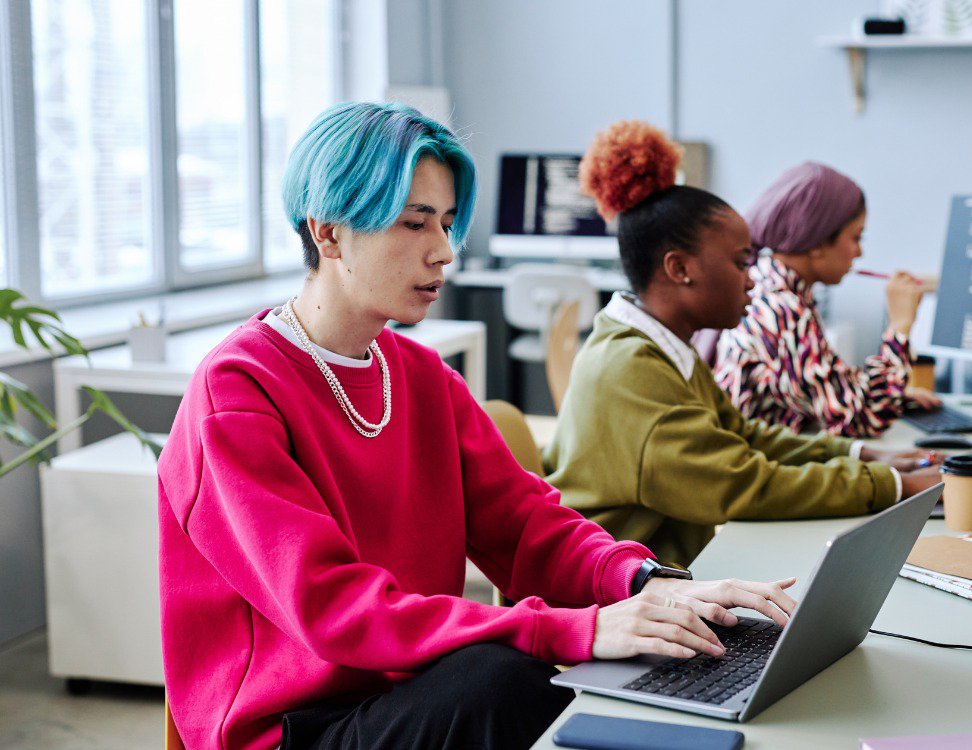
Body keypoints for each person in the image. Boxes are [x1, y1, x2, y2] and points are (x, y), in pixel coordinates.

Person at [157, 102, 799, 750]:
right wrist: (575, 630)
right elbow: (332, 609)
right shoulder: (237, 392)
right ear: (327, 233)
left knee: (652, 658)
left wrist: (650, 584)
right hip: (293, 732)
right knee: (511, 676)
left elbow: (528, 528)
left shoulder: (420, 376)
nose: (443, 251)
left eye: (445, 222)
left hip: (405, 689)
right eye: (414, 223)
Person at [543, 121, 941, 569]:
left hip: (658, 571)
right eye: (740, 263)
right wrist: (892, 485)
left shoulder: (660, 346)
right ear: (680, 269)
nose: (753, 279)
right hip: (602, 597)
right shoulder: (632, 369)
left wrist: (865, 455)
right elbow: (742, 484)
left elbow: (744, 437)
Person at [710, 161, 939, 438]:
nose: (859, 253)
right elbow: (858, 420)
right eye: (856, 237)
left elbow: (825, 388)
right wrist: (900, 326)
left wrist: (898, 397)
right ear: (818, 243)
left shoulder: (775, 287)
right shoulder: (781, 307)